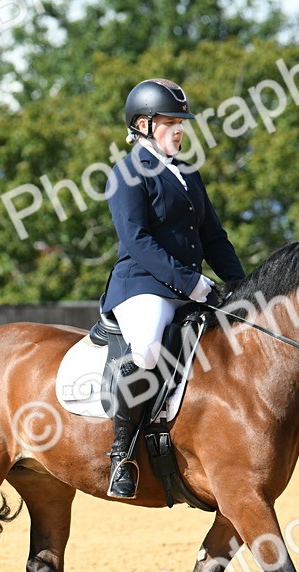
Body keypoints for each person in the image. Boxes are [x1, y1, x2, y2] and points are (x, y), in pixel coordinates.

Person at [101, 77, 245, 499]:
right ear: (144, 125)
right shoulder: (125, 173)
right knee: (145, 350)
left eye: (182, 122)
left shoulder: (186, 172)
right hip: (142, 288)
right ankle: (121, 455)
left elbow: (214, 236)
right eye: (170, 122)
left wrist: (241, 286)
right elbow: (137, 241)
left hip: (190, 288)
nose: (180, 129)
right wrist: (191, 283)